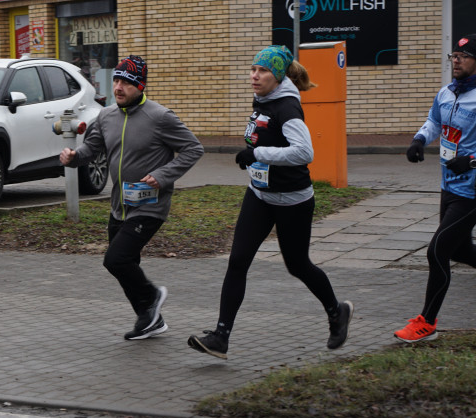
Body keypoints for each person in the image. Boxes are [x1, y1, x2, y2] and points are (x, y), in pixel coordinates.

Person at [188, 45, 353, 360]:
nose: (255, 75)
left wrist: (257, 154)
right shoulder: (263, 100)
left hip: (292, 200)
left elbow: (305, 152)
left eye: (262, 71)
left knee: (298, 265)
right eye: (253, 69)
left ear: (277, 76)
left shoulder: (287, 107)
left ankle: (337, 311)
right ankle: (220, 337)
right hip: (260, 195)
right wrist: (255, 159)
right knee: (237, 261)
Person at [61, 56, 203, 341]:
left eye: (126, 81)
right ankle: (150, 318)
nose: (118, 87)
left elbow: (193, 149)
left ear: (140, 85)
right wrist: (74, 157)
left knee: (116, 259)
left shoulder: (160, 116)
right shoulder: (106, 116)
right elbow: (92, 149)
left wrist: (163, 175)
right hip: (119, 205)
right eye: (116, 80)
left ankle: (152, 296)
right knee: (125, 265)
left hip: (150, 205)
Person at [394, 33, 476, 343]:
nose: (456, 61)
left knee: (437, 251)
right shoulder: (446, 93)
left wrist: (471, 162)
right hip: (448, 186)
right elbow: (434, 122)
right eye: (453, 55)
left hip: (472, 190)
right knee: (461, 249)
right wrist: (418, 139)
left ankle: (426, 323)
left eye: (463, 56)